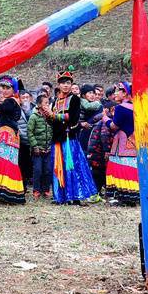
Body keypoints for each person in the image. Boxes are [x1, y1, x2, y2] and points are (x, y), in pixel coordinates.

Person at [47, 71, 98, 204]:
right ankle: (61, 196)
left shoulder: (75, 99)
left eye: (68, 83)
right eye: (63, 83)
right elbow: (51, 121)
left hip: (69, 138)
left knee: (72, 166)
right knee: (58, 166)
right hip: (57, 138)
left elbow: (74, 118)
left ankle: (75, 196)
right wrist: (48, 116)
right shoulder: (55, 101)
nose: (65, 85)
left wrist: (55, 116)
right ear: (58, 85)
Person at [105, 82, 139, 204]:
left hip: (122, 143)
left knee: (119, 166)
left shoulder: (120, 108)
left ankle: (122, 196)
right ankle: (133, 196)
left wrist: (105, 118)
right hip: (134, 142)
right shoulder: (138, 106)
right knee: (132, 168)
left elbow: (114, 126)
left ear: (125, 93)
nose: (114, 94)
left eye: (117, 91)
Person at [26, 91, 54, 199]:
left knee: (47, 170)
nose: (47, 105)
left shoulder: (50, 116)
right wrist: (35, 146)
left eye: (48, 103)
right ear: (38, 105)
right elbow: (30, 132)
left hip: (48, 148)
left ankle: (46, 190)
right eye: (45, 103)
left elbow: (52, 130)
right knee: (37, 170)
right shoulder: (34, 117)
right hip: (37, 149)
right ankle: (36, 190)